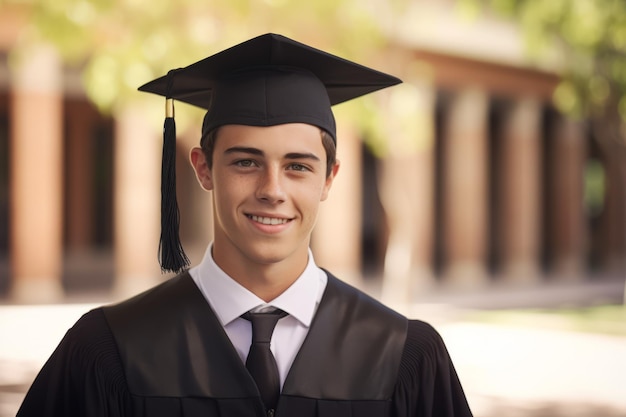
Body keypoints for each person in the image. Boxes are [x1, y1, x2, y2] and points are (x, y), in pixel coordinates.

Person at [17, 33, 473, 417]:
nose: (272, 189)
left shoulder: (402, 356)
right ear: (204, 169)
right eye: (246, 162)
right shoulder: (111, 350)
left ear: (329, 179)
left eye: (298, 166)